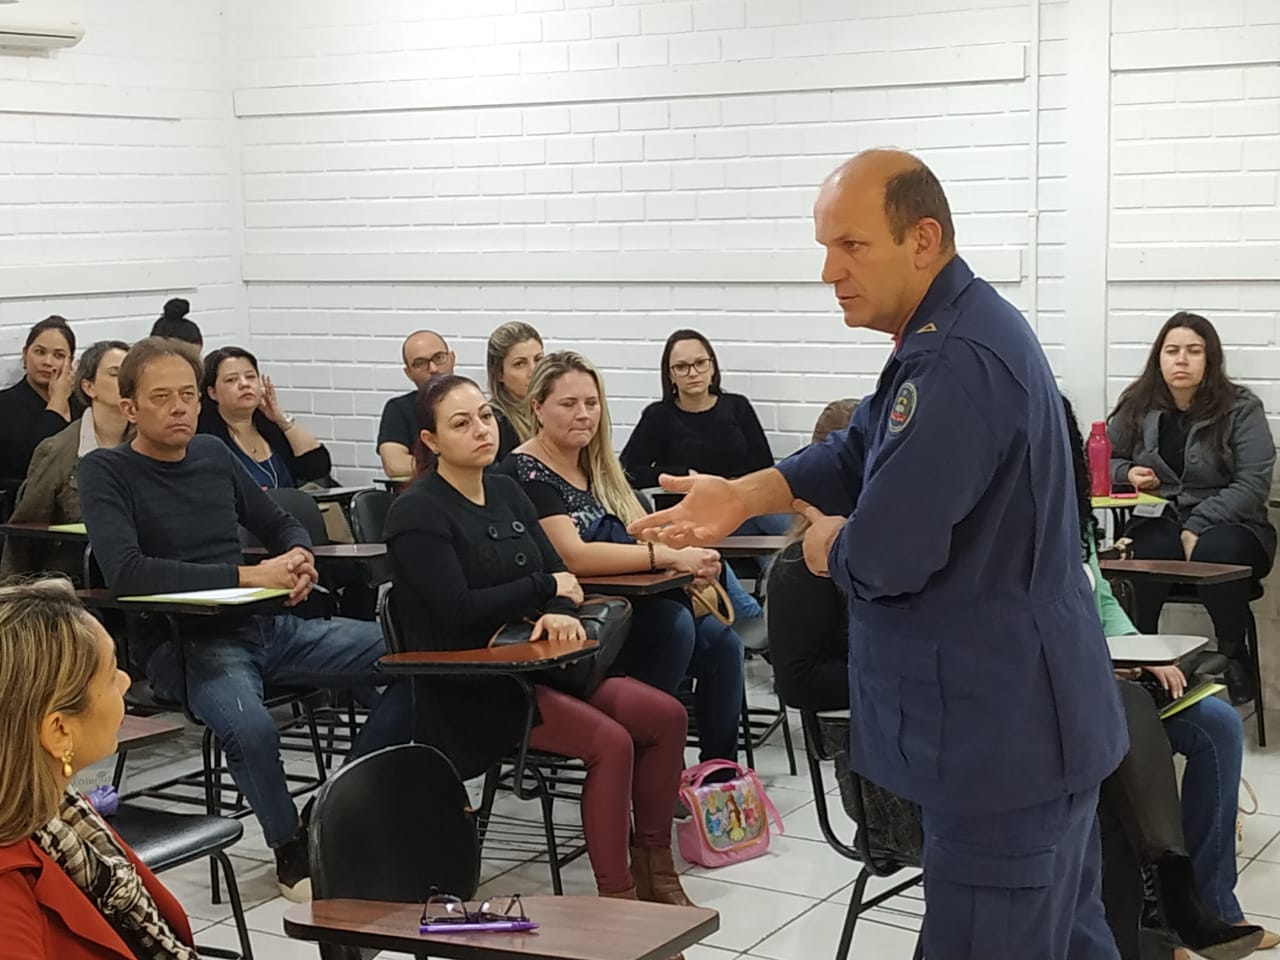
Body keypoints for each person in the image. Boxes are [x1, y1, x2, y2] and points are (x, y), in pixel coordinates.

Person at [632, 150, 1127, 960]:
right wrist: (747, 493)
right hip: (1025, 721)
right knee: (1064, 936)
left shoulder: (956, 359)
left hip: (997, 736)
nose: (830, 270)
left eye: (852, 246)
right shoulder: (948, 331)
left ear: (923, 238)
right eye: (827, 246)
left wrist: (827, 547)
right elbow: (862, 445)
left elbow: (891, 554)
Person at [767, 396, 1264, 960]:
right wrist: (920, 674)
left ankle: (1160, 920)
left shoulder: (932, 549)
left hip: (980, 735)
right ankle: (1167, 908)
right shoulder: (803, 571)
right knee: (1093, 763)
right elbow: (802, 682)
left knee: (1102, 758)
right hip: (895, 765)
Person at [79, 337, 409, 902]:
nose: (181, 407)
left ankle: (328, 808)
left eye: (187, 395)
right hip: (189, 644)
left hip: (270, 627)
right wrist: (250, 576)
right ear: (129, 408)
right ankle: (289, 850)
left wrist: (300, 554)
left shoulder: (210, 453)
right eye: (163, 397)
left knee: (415, 655)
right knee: (250, 728)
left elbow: (279, 521)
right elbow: (128, 573)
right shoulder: (106, 472)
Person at [384, 375, 694, 914]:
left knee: (665, 716)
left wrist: (556, 611)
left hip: (542, 661)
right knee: (611, 742)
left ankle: (656, 870)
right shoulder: (416, 512)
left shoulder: (505, 489)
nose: (482, 429)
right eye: (461, 423)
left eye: (484, 415)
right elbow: (458, 608)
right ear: (431, 441)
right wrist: (545, 592)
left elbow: (560, 576)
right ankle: (617, 903)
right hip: (473, 683)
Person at [1063, 396, 1275, 957]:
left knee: (1217, 723)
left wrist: (1143, 649)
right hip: (1064, 688)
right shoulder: (1006, 527)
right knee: (1129, 723)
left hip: (1109, 671)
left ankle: (1213, 905)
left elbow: (1100, 596)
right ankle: (1163, 917)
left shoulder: (1072, 515)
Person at [498, 351, 745, 765]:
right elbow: (573, 556)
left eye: (591, 404)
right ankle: (650, 759)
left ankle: (717, 776)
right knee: (674, 624)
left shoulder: (600, 467)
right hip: (579, 618)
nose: (584, 415)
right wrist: (665, 557)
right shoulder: (524, 473)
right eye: (569, 404)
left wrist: (685, 559)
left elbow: (643, 532)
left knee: (722, 641)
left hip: (635, 604)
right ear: (537, 407)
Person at [0, 578, 197, 960]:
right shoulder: (8, 903)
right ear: (59, 730)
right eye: (110, 675)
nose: (126, 681)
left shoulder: (58, 809)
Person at [1107, 312, 1276, 705]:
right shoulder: (1137, 403)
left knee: (1217, 552)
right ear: (1159, 358)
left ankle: (1233, 653)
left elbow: (1253, 484)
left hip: (1234, 524)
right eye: (1172, 350)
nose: (1181, 360)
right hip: (1160, 517)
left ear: (1210, 359)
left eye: (1193, 351)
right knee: (1145, 551)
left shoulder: (1241, 408)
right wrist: (1130, 473)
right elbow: (1102, 461)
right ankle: (1140, 660)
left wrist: (1196, 524)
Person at [621, 329, 790, 541]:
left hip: (741, 509)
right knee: (780, 534)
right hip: (694, 515)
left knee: (780, 531)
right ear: (670, 375)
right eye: (682, 367)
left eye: (700, 363)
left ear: (712, 367)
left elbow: (764, 468)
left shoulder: (737, 406)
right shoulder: (659, 416)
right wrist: (683, 474)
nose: (693, 373)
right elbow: (626, 471)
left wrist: (738, 487)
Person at [1, 341, 131, 581]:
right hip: (75, 579)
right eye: (115, 374)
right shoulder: (58, 450)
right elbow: (24, 532)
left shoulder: (150, 441)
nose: (127, 382)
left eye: (131, 374)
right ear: (89, 386)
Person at [198, 346, 332, 490]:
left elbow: (318, 468)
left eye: (250, 377)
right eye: (231, 380)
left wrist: (281, 420)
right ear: (213, 393)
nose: (244, 384)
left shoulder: (267, 425)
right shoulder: (207, 438)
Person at [0, 316, 85, 483]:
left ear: (70, 362)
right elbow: (32, 464)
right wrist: (56, 405)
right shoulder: (4, 405)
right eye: (39, 352)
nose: (47, 362)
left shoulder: (82, 404)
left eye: (58, 355)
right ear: (25, 354)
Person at [377, 330, 455, 479]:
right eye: (420, 363)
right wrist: (455, 466)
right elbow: (395, 464)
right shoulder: (399, 409)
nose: (433, 369)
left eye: (439, 358)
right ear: (408, 372)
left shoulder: (472, 402)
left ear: (452, 359)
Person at [486, 321, 543, 460]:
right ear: (499, 373)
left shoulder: (552, 411)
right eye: (520, 364)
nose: (533, 371)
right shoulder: (495, 422)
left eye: (538, 359)